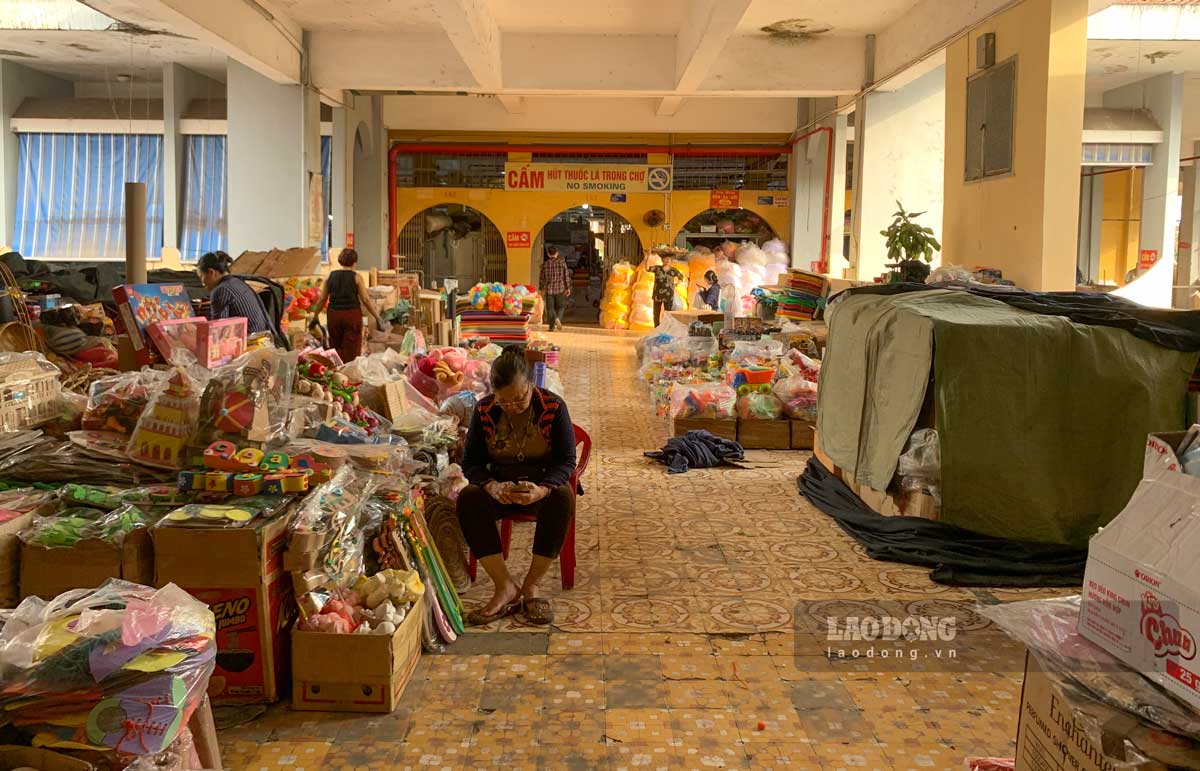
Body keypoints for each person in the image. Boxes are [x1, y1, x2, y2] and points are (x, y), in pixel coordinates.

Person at [457, 348, 576, 626]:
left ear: (531, 384)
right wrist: (490, 486)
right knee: (468, 498)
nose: (513, 406)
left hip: (541, 486)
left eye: (520, 397)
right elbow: (471, 462)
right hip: (500, 486)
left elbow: (566, 460)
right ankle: (505, 586)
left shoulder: (553, 407)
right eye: (504, 401)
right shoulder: (485, 410)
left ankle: (532, 585)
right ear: (494, 394)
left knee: (562, 497)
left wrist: (542, 488)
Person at [310, 248, 383, 364]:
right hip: (351, 315)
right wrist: (377, 317)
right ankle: (349, 374)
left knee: (335, 345)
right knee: (351, 348)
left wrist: (315, 316)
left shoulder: (330, 276)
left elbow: (322, 299)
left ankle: (337, 371)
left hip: (334, 315)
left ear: (340, 261)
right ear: (355, 262)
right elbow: (365, 299)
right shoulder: (357, 277)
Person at [196, 251, 273, 335]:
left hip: (250, 342)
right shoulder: (236, 282)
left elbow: (218, 331)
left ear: (211, 273)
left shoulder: (221, 290)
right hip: (263, 337)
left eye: (201, 277)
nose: (203, 283)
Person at [539, 246, 571, 332]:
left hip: (549, 290)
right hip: (560, 289)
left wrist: (541, 289)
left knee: (550, 308)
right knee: (561, 307)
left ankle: (551, 327)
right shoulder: (562, 263)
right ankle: (558, 318)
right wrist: (567, 288)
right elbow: (566, 277)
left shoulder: (545, 265)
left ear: (548, 254)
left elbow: (542, 278)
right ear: (557, 253)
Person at [647, 254, 684, 327]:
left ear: (671, 261)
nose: (667, 261)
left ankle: (666, 327)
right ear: (662, 260)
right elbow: (647, 268)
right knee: (656, 313)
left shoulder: (673, 270)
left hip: (669, 295)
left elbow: (681, 277)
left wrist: (676, 284)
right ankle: (657, 328)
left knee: (668, 313)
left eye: (669, 259)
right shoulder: (657, 268)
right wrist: (648, 257)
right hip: (658, 295)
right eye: (665, 259)